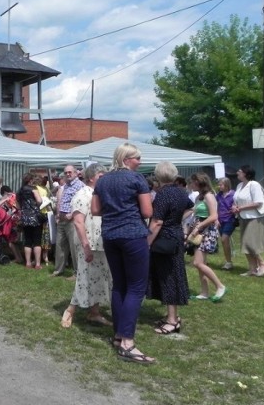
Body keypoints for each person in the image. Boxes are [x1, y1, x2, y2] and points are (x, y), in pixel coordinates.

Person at [92, 143, 154, 365]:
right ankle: (128, 342)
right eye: (137, 158)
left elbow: (95, 210)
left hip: (110, 235)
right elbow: (148, 212)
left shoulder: (103, 180)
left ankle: (119, 336)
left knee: (119, 285)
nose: (140, 161)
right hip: (133, 235)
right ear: (127, 159)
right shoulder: (137, 180)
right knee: (136, 287)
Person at [61, 163, 111, 328]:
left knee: (99, 278)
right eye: (101, 176)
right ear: (91, 177)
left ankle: (94, 312)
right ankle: (70, 310)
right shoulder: (82, 195)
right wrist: (86, 246)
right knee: (84, 277)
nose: (104, 180)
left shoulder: (99, 194)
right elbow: (78, 222)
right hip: (87, 243)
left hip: (100, 242)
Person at [146, 161, 192, 335]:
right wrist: (177, 220)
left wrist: (147, 243)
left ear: (159, 176)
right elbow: (191, 207)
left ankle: (172, 320)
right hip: (176, 236)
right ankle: (171, 316)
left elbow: (157, 221)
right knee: (173, 274)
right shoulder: (181, 192)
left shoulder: (163, 194)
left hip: (165, 239)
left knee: (168, 277)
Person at [186, 173, 226, 301]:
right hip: (200, 230)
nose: (190, 185)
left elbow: (214, 216)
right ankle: (204, 292)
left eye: (192, 182)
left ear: (198, 182)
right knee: (201, 263)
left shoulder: (209, 196)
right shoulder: (199, 197)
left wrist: (198, 227)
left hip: (206, 231)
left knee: (197, 263)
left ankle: (220, 286)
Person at [232, 165, 264, 277]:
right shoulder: (239, 185)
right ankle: (252, 269)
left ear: (246, 173)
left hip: (254, 217)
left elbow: (258, 202)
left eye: (240, 170)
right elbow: (236, 199)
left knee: (250, 243)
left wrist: (240, 208)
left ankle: (263, 263)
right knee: (245, 244)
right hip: (242, 217)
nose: (238, 171)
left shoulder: (254, 185)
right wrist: (234, 207)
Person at [52, 164, 84, 279]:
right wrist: (58, 214)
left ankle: (77, 273)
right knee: (60, 245)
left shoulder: (80, 186)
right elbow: (61, 200)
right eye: (66, 173)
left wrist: (72, 214)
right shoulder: (65, 186)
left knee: (74, 247)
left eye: (70, 172)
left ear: (75, 173)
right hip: (62, 219)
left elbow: (82, 203)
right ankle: (58, 270)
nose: (68, 174)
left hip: (72, 220)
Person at [17, 173, 44, 269]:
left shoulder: (19, 191)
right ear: (30, 180)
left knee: (27, 241)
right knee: (37, 241)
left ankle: (28, 263)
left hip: (25, 217)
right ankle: (37, 264)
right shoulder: (33, 189)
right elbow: (39, 201)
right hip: (35, 217)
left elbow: (18, 205)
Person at [0, 185, 22, 264]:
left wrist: (4, 199)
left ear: (4, 192)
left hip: (11, 221)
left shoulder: (7, 197)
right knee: (14, 241)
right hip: (17, 220)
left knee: (11, 242)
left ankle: (18, 258)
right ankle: (20, 257)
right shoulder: (14, 196)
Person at [216, 177, 237, 270]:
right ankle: (228, 261)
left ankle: (228, 262)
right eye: (219, 184)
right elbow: (216, 207)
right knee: (224, 241)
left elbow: (237, 204)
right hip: (221, 220)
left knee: (224, 239)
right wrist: (216, 219)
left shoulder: (233, 194)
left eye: (221, 184)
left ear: (226, 184)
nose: (219, 186)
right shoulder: (219, 195)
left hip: (230, 219)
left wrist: (234, 208)